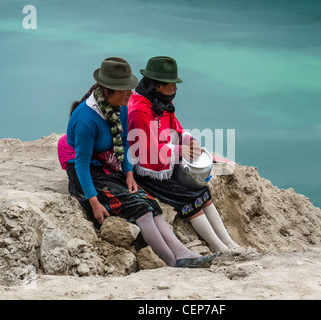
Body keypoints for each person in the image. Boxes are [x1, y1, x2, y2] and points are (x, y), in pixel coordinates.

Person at [58, 56, 216, 268]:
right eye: (124, 90)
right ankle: (172, 261)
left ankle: (183, 253)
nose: (130, 94)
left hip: (108, 168)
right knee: (139, 207)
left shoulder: (121, 106)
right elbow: (81, 164)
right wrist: (94, 203)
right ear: (107, 91)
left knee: (150, 201)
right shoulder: (86, 119)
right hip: (87, 176)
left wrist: (129, 174)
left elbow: (123, 142)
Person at [127, 56, 239, 252]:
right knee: (189, 199)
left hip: (165, 160)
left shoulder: (159, 102)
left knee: (203, 191)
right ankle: (219, 247)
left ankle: (229, 243)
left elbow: (176, 129)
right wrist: (179, 151)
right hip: (146, 170)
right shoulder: (139, 109)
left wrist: (190, 141)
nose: (176, 90)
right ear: (158, 86)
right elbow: (148, 150)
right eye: (172, 85)